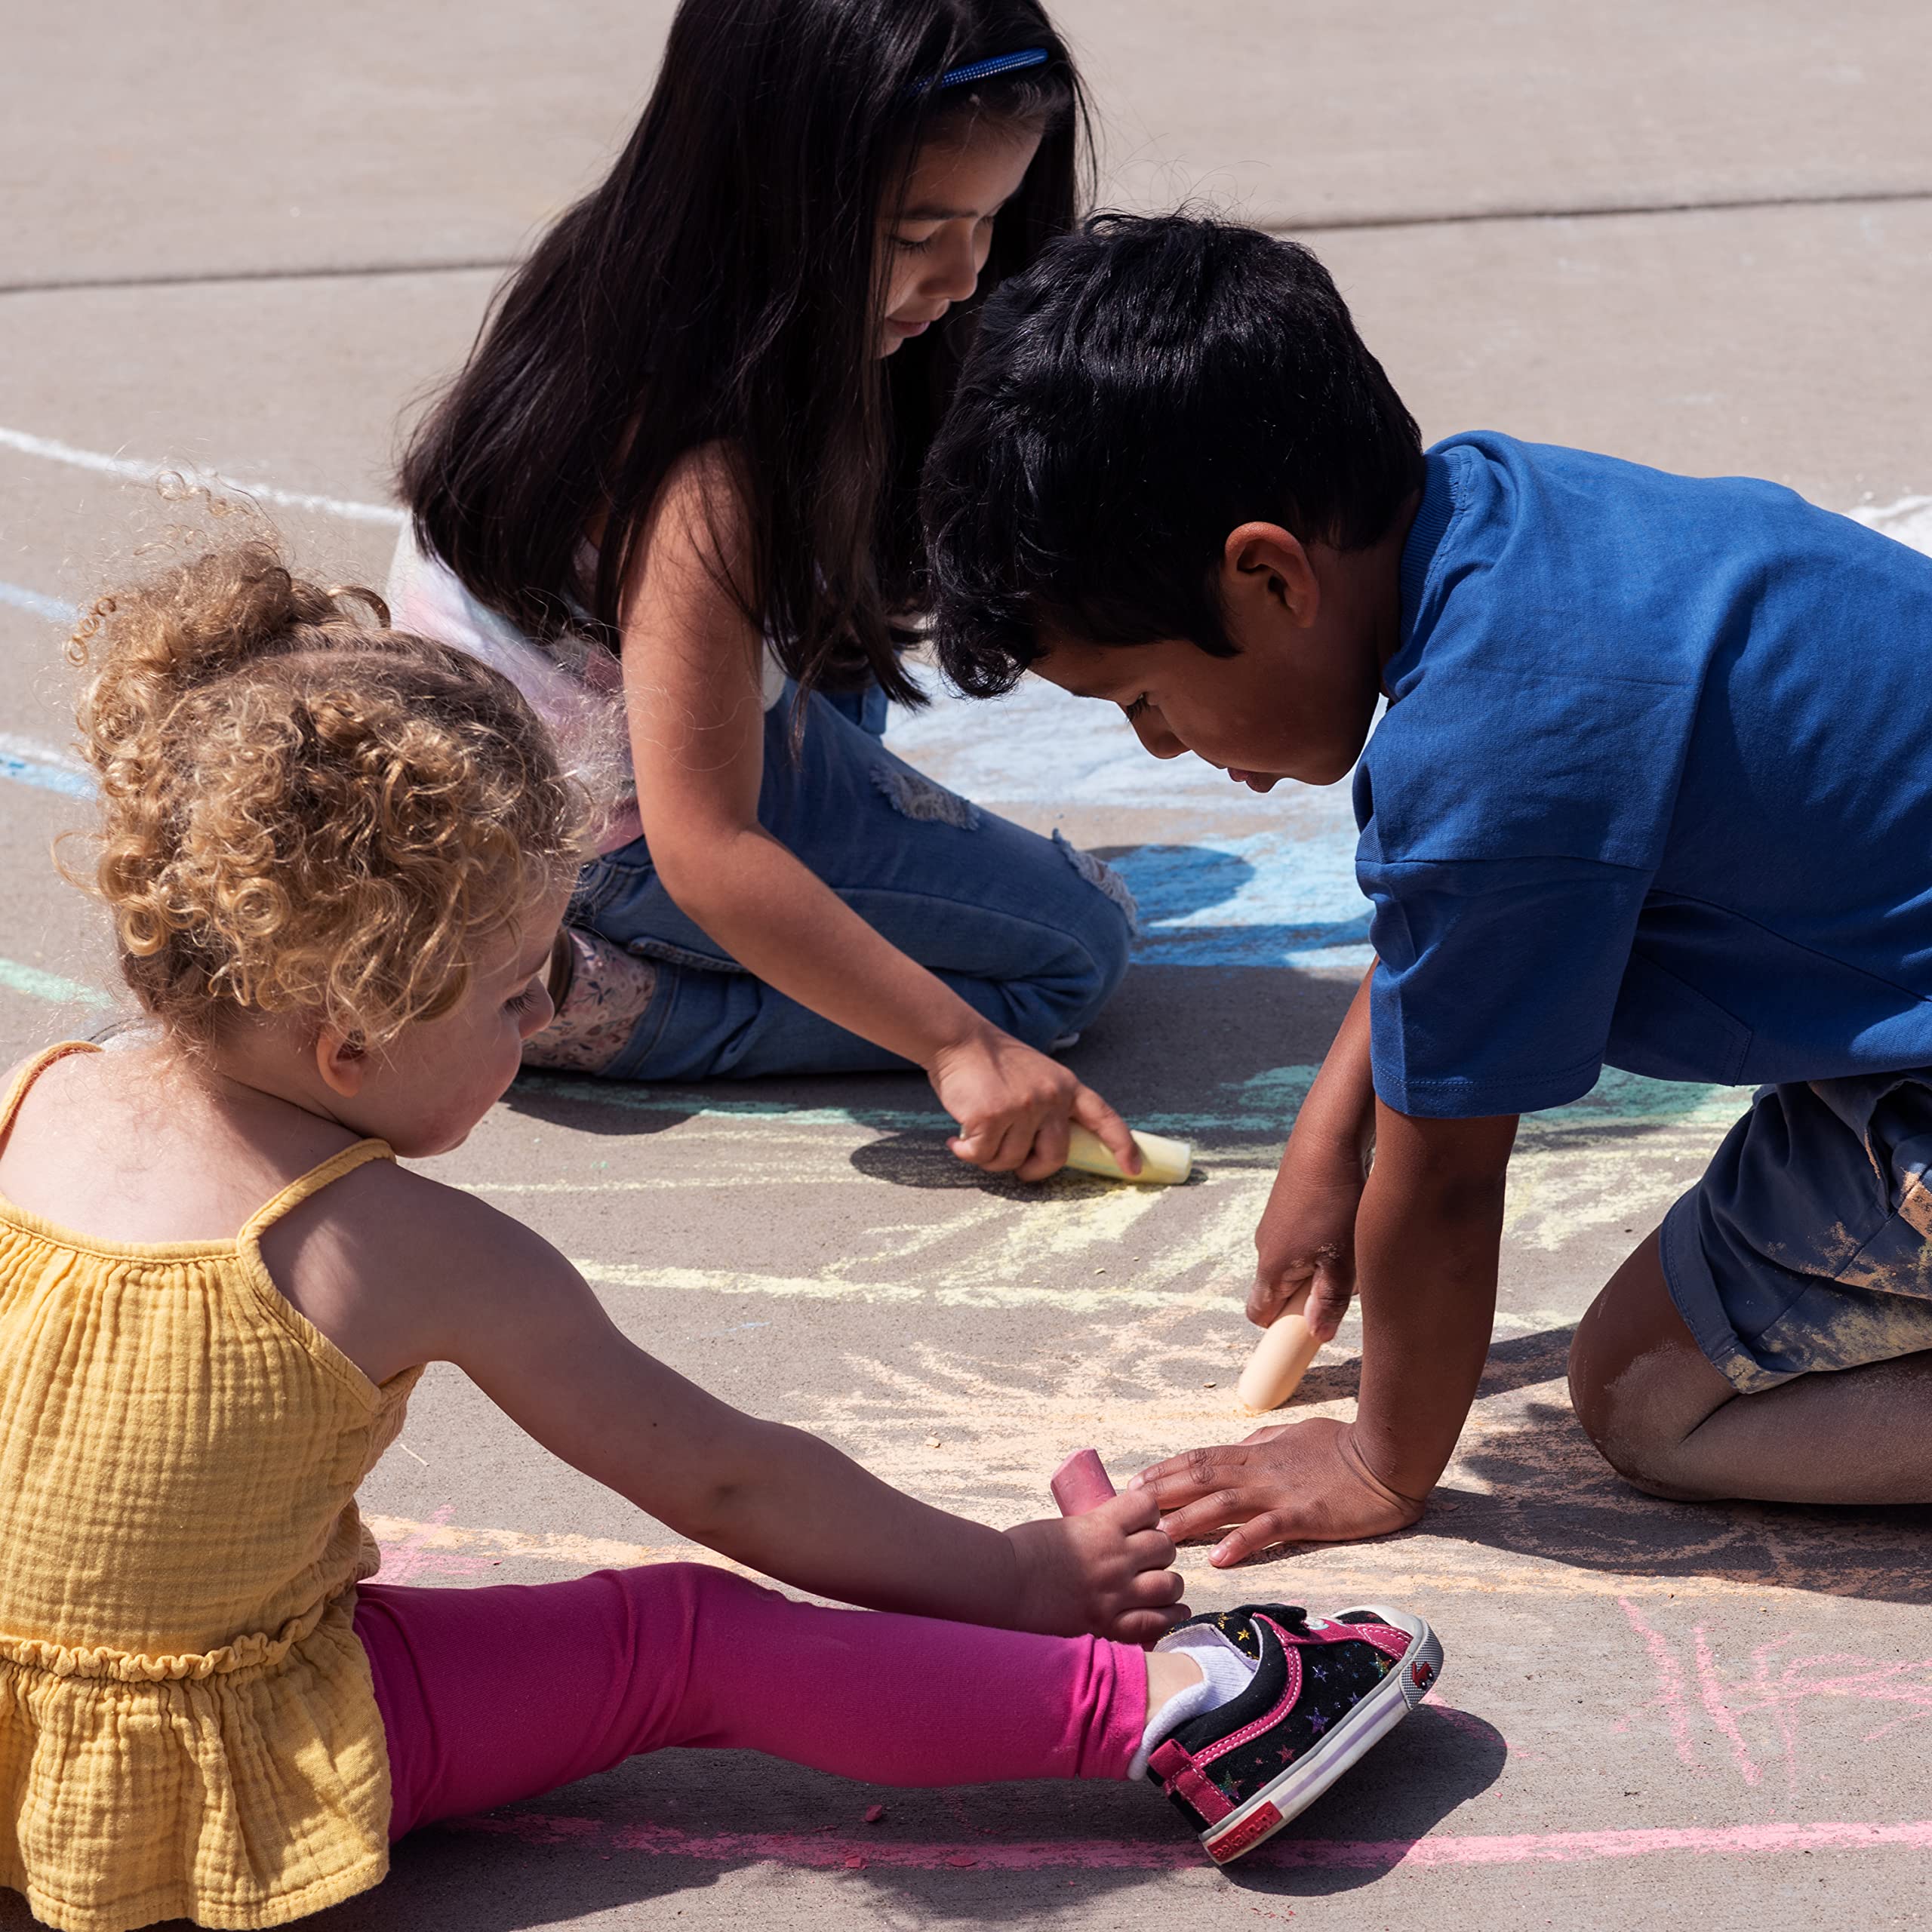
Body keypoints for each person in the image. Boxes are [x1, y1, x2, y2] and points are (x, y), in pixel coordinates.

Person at [0, 533, 1443, 1930]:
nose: (552, 1015)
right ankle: (1194, 1716)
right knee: (685, 1642)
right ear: (352, 1043)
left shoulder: (31, 1102)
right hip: (205, 1771)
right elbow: (735, 1488)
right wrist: (1012, 1577)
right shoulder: (413, 1252)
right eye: (518, 990)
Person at [919, 211, 1932, 1557]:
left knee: (1644, 1396)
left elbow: (1451, 1183)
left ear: (1270, 576)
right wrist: (1329, 1144)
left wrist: (1381, 1462)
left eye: (1148, 698)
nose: (1162, 743)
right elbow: (1444, 936)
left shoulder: (1496, 759)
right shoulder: (1505, 520)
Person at [392, 0, 1140, 1183]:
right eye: (915, 233)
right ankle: (598, 1000)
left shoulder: (635, 267)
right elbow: (708, 844)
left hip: (507, 747)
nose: (964, 273)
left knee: (842, 657)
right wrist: (957, 1044)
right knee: (1071, 952)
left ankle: (561, 937)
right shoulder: (709, 467)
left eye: (991, 219)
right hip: (598, 833)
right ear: (772, 200)